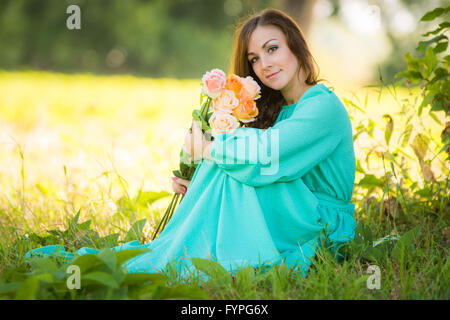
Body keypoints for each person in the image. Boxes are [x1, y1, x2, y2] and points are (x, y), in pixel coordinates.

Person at [26, 8, 357, 280]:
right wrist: (195, 171)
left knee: (237, 156)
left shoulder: (322, 107)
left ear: (296, 46)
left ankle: (189, 253)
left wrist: (209, 151)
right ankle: (183, 249)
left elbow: (268, 156)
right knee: (232, 153)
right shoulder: (281, 109)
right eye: (254, 58)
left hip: (319, 222)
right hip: (290, 208)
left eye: (272, 48)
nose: (264, 64)